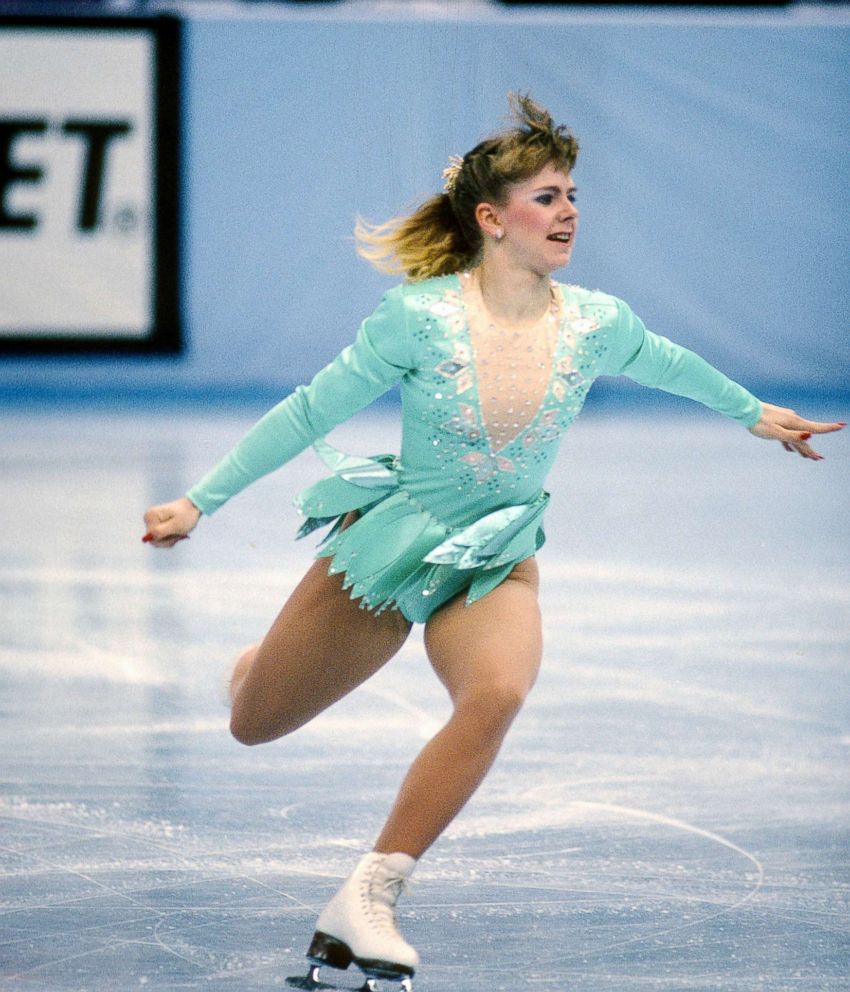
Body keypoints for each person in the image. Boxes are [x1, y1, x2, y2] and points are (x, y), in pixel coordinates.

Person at [142, 94, 843, 989]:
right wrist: (199, 501)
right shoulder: (420, 317)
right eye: (546, 197)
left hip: (498, 555)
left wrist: (758, 416)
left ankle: (370, 894)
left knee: (499, 690)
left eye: (573, 195)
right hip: (392, 553)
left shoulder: (594, 323)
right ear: (491, 219)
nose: (569, 212)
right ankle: (255, 663)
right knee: (253, 722)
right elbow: (311, 410)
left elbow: (671, 363)